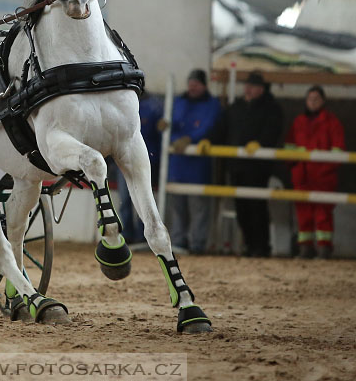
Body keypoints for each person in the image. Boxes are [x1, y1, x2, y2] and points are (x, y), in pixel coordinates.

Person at [206, 71, 283, 257]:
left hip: (258, 168)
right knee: (241, 208)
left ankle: (262, 246)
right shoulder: (236, 107)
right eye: (247, 85)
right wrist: (209, 140)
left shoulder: (272, 109)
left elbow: (274, 131)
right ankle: (250, 245)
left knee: (257, 207)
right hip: (237, 166)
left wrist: (262, 144)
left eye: (252, 86)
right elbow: (221, 129)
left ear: (261, 89)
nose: (248, 89)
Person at [164, 69, 222, 254]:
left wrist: (190, 139)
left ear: (204, 85)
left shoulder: (212, 105)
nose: (192, 87)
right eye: (191, 83)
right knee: (177, 207)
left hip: (198, 165)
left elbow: (209, 126)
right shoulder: (179, 102)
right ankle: (179, 241)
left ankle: (197, 244)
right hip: (178, 163)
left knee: (198, 207)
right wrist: (170, 135)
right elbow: (170, 123)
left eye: (196, 83)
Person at [285, 86, 345, 259]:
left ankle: (324, 249)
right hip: (302, 176)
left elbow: (338, 151)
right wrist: (294, 166)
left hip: (323, 177)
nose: (312, 102)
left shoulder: (332, 122)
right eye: (310, 99)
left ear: (323, 101)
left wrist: (324, 171)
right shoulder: (299, 122)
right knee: (303, 214)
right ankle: (305, 248)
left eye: (316, 99)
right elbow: (289, 147)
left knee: (322, 214)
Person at [113, 90, 164, 245]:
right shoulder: (152, 105)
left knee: (140, 199)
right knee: (128, 199)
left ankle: (142, 235)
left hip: (143, 160)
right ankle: (130, 234)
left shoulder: (152, 106)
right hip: (129, 158)